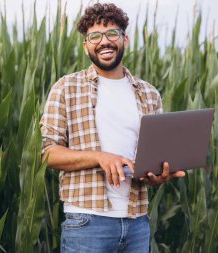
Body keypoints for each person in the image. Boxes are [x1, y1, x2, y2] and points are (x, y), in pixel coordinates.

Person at [40, 3, 185, 253]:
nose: (103, 41)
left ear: (125, 39)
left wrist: (157, 175)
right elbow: (47, 153)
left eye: (112, 34)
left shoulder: (149, 94)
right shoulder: (66, 88)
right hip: (86, 222)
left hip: (137, 222)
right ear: (86, 45)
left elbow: (151, 159)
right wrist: (99, 157)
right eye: (94, 36)